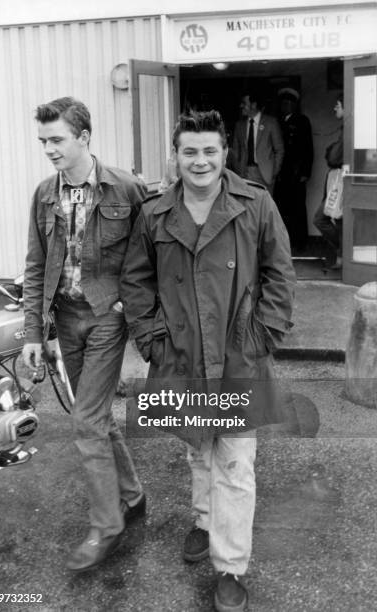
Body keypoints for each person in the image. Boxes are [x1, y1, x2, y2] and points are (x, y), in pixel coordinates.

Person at [120, 110, 295, 611]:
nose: (200, 161)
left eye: (210, 151)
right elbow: (136, 281)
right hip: (181, 356)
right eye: (190, 151)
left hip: (239, 353)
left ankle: (231, 565)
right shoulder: (154, 214)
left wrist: (262, 335)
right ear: (175, 156)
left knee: (236, 464)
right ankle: (203, 518)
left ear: (224, 154)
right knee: (198, 449)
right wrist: (153, 338)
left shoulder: (255, 203)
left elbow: (280, 274)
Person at [22, 97, 146, 571]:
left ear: (84, 138)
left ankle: (107, 526)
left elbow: (148, 257)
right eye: (44, 141)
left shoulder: (126, 189)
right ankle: (132, 496)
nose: (49, 149)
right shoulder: (44, 194)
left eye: (57, 140)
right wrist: (34, 333)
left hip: (107, 318)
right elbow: (36, 265)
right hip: (66, 317)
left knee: (84, 421)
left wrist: (128, 303)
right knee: (92, 415)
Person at [274, 88, 313, 251]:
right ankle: (285, 243)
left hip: (296, 173)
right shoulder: (277, 122)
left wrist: (305, 172)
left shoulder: (302, 121)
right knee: (282, 207)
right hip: (281, 172)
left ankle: (300, 242)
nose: (285, 106)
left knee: (298, 207)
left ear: (294, 105)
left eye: (288, 103)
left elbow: (308, 148)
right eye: (283, 103)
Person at [313, 95, 344, 269]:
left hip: (342, 183)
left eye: (338, 105)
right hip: (337, 181)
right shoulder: (345, 127)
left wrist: (331, 150)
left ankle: (342, 253)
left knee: (326, 219)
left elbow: (333, 156)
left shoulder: (348, 128)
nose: (335, 108)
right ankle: (342, 252)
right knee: (332, 220)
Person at [232, 91, 284, 193]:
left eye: (244, 103)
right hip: (244, 173)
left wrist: (274, 171)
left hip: (265, 174)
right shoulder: (239, 125)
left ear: (254, 105)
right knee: (246, 206)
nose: (241, 105)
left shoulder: (271, 122)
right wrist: (238, 169)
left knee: (265, 207)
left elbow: (279, 149)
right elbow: (235, 150)